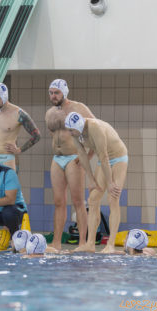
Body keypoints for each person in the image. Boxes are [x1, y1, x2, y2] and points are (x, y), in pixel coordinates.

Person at [64, 112, 128, 254]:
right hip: (103, 161)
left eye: (71, 130)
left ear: (79, 126)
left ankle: (110, 245)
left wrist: (110, 182)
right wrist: (91, 180)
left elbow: (104, 155)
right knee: (93, 199)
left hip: (118, 158)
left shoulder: (95, 127)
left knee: (113, 198)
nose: (69, 133)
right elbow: (82, 154)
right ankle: (90, 244)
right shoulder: (75, 133)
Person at [45, 79, 96, 251]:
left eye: (56, 93)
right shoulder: (50, 113)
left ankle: (83, 243)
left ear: (64, 92)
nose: (53, 96)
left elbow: (95, 129)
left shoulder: (78, 108)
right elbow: (53, 133)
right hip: (57, 158)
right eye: (51, 93)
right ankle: (57, 243)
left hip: (74, 158)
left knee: (78, 201)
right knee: (58, 202)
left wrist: (87, 155)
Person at [0, 83, 40, 170]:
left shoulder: (19, 114)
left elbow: (36, 135)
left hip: (7, 159)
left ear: (4, 97)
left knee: (9, 183)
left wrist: (19, 150)